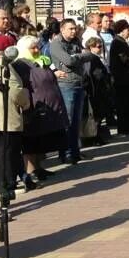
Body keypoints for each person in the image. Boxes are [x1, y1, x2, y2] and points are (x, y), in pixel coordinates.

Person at [0, 35, 31, 199]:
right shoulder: (6, 67)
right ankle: (8, 182)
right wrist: (25, 103)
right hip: (7, 114)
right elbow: (16, 91)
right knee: (9, 151)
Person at [15, 35, 66, 183]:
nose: (37, 50)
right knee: (30, 140)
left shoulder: (42, 61)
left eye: (38, 47)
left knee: (40, 139)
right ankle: (31, 171)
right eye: (33, 48)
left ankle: (38, 167)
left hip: (47, 106)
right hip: (33, 106)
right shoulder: (21, 64)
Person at [49, 18, 97, 164]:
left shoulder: (76, 41)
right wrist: (78, 58)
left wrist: (77, 57)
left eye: (75, 28)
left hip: (79, 82)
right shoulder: (57, 44)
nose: (73, 31)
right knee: (68, 120)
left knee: (76, 120)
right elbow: (68, 61)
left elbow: (89, 55)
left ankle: (75, 151)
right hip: (66, 85)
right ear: (62, 29)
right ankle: (66, 152)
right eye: (70, 29)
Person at [109, 20, 129, 135]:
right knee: (124, 105)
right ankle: (124, 128)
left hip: (127, 80)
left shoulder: (121, 42)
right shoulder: (117, 43)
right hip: (123, 80)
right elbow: (124, 59)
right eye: (128, 29)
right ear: (122, 30)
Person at [82, 37, 113, 145]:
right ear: (91, 47)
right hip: (95, 91)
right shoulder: (91, 58)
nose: (100, 48)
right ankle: (93, 138)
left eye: (101, 46)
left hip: (98, 90)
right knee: (95, 116)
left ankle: (95, 137)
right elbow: (95, 75)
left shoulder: (95, 57)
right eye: (98, 46)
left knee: (97, 115)